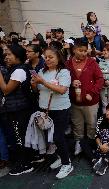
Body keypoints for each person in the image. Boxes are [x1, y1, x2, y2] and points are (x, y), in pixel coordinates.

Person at [31, 47, 73, 179]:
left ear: (58, 58)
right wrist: (33, 83)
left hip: (60, 109)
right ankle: (61, 157)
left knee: (58, 137)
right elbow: (37, 90)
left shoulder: (64, 72)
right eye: (46, 57)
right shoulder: (41, 71)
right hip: (45, 110)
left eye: (51, 57)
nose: (47, 59)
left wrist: (42, 81)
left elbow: (61, 90)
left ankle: (67, 164)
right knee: (52, 138)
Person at [65, 39, 104, 155]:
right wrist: (71, 83)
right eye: (80, 50)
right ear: (74, 49)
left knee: (92, 124)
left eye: (85, 51)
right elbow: (62, 80)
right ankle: (78, 143)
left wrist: (92, 93)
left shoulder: (92, 62)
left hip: (91, 102)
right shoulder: (67, 64)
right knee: (77, 124)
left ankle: (90, 144)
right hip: (74, 101)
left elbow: (100, 79)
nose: (83, 53)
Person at [0, 44, 33, 176]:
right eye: (5, 54)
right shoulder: (14, 68)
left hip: (20, 110)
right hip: (15, 109)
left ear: (17, 56)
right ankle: (24, 160)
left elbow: (6, 90)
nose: (6, 57)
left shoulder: (19, 71)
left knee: (21, 137)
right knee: (19, 136)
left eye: (9, 54)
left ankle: (25, 164)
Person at [80, 102, 109, 176]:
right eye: (107, 110)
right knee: (83, 141)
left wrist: (108, 144)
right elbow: (97, 136)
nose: (107, 112)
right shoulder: (101, 119)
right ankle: (94, 160)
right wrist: (100, 145)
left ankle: (105, 161)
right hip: (101, 143)